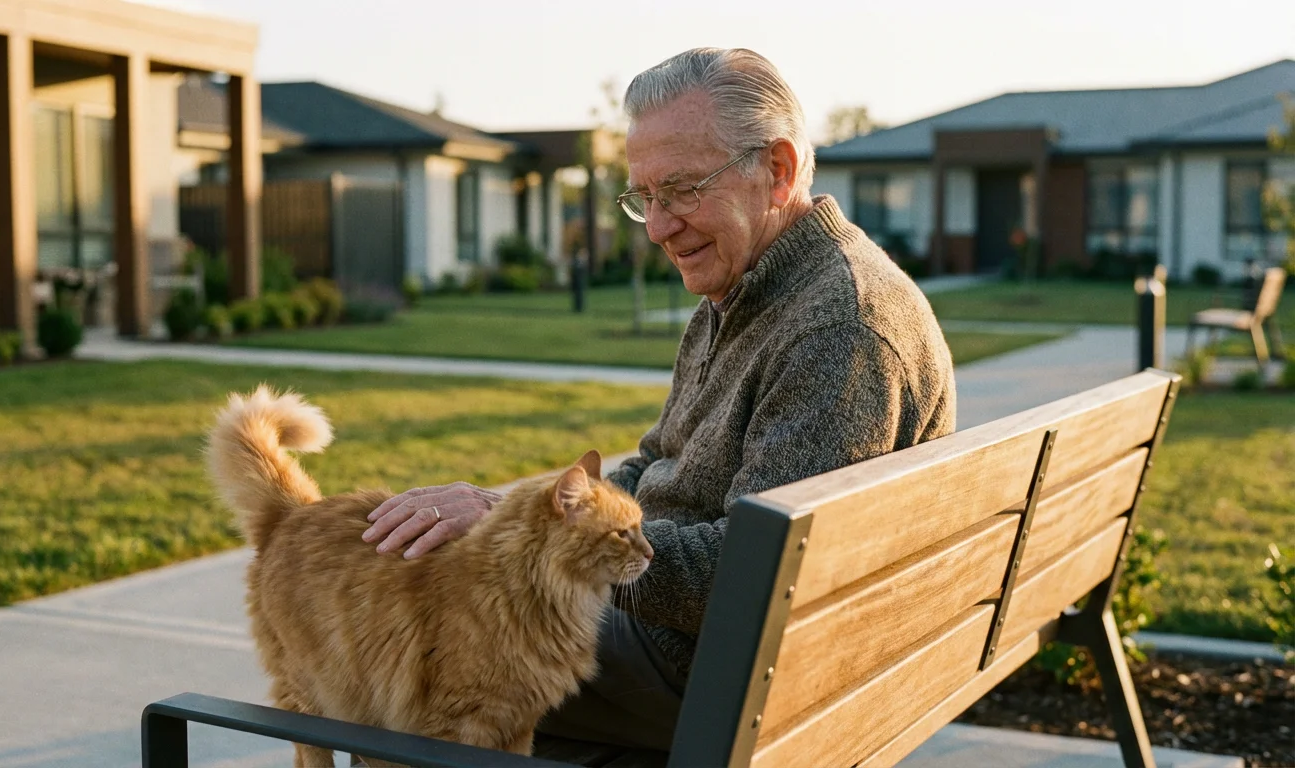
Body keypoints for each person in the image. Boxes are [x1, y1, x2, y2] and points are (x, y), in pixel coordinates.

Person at [361, 47, 956, 751]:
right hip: (695, 648)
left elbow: (753, 574)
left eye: (682, 189)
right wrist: (523, 517)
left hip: (720, 672)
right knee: (404, 590)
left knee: (400, 629)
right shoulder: (744, 289)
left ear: (780, 169)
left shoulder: (839, 330)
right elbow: (652, 466)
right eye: (644, 196)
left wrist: (512, 531)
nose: (658, 226)